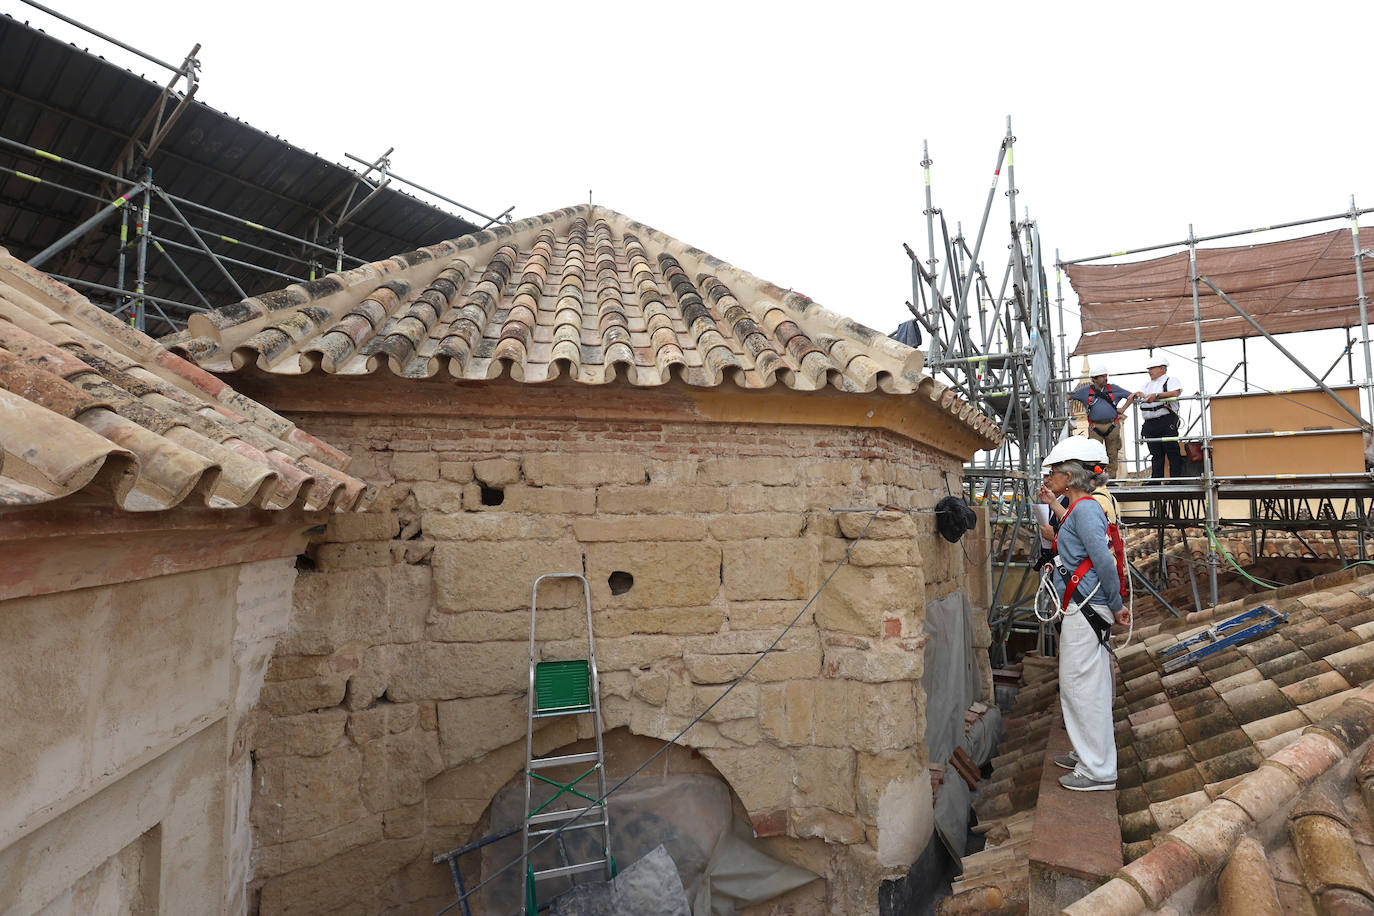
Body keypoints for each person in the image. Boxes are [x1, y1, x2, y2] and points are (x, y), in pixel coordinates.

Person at [1041, 436, 1130, 792]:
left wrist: (1117, 603)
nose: (1050, 477)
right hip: (1083, 604)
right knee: (1083, 685)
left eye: (1054, 473)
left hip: (1087, 605)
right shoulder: (1080, 509)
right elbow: (1079, 535)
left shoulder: (1089, 509)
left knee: (1081, 687)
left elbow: (1104, 561)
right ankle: (1087, 755)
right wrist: (1054, 505)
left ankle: (1097, 770)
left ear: (1071, 475)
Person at [1068, 364, 1135, 480]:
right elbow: (1068, 397)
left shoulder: (1113, 388)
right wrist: (1067, 411)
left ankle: (1111, 479)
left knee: (1112, 454)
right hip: (1095, 427)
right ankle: (1095, 479)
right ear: (1094, 379)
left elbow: (1131, 395)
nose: (1105, 378)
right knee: (1094, 454)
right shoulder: (1084, 391)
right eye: (1102, 376)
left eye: (1105, 376)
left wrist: (1123, 408)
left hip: (1112, 426)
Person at [1135, 356, 1184, 482]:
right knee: (1156, 453)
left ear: (1162, 368)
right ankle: (1156, 480)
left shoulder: (1171, 380)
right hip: (1150, 422)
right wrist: (1139, 394)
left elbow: (1175, 393)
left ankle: (1176, 479)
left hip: (1166, 419)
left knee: (1171, 450)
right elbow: (1140, 393)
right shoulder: (1146, 385)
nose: (1150, 371)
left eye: (1152, 368)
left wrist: (1157, 396)